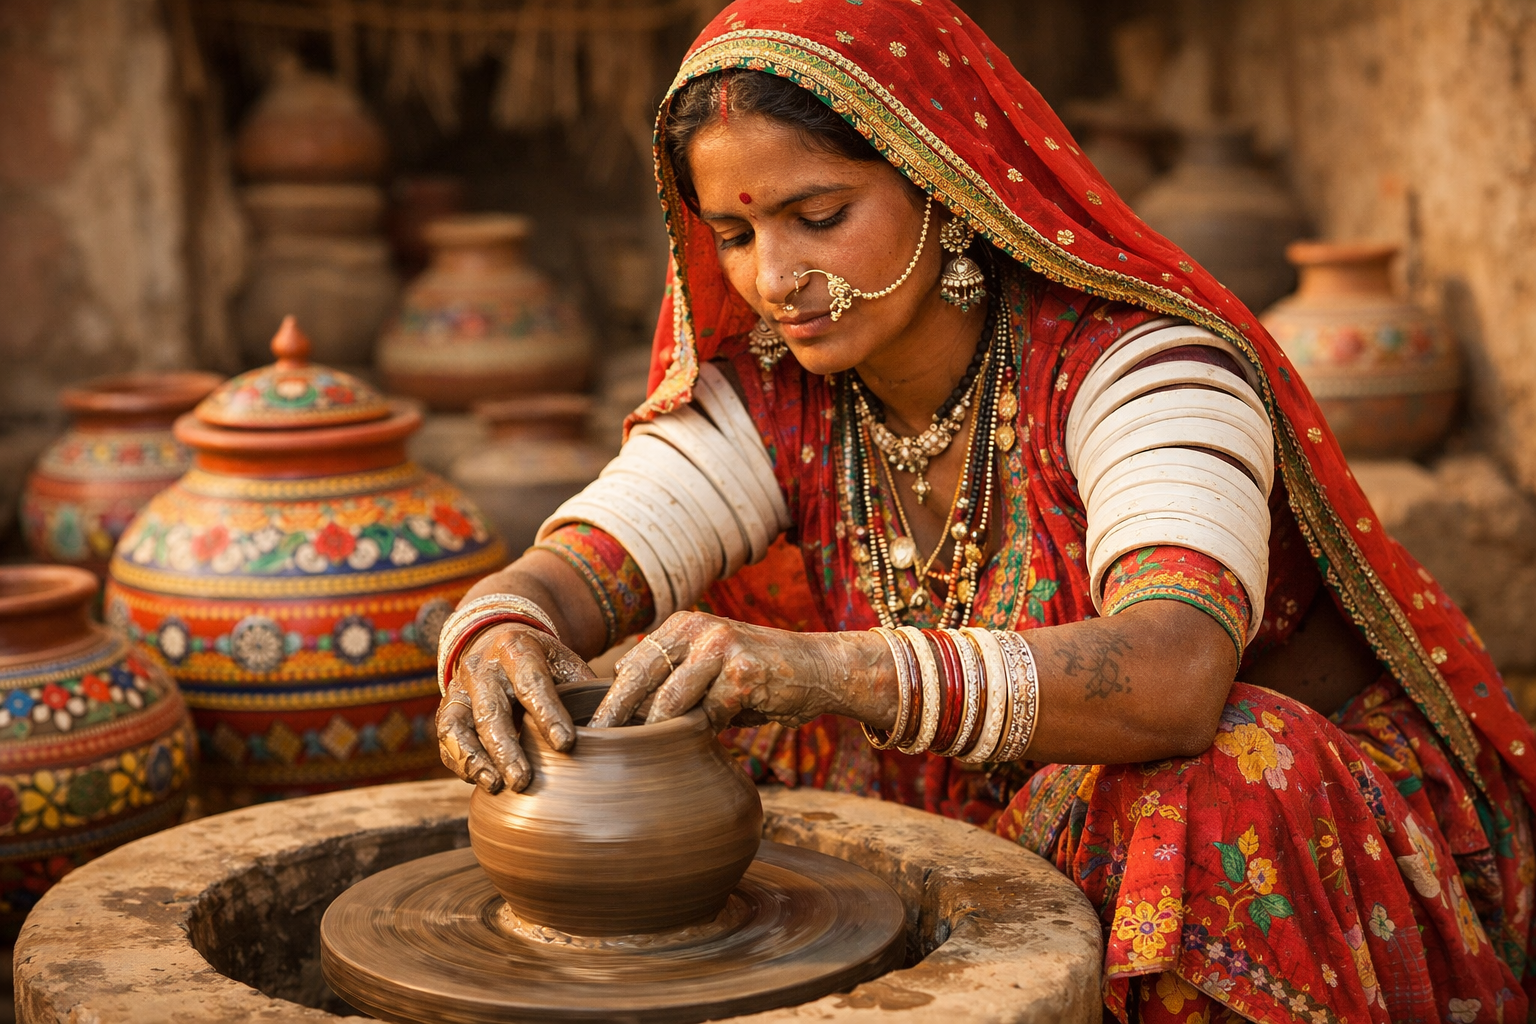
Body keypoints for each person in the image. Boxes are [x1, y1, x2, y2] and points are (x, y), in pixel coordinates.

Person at [434, 2, 1536, 1020]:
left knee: (1228, 778)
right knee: (681, 698)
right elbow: (587, 562)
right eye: (733, 234)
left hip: (1257, 841)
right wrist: (498, 630)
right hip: (992, 827)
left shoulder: (1138, 368)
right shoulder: (775, 395)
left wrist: (836, 669)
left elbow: (1177, 675)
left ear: (940, 179)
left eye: (820, 216)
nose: (776, 276)